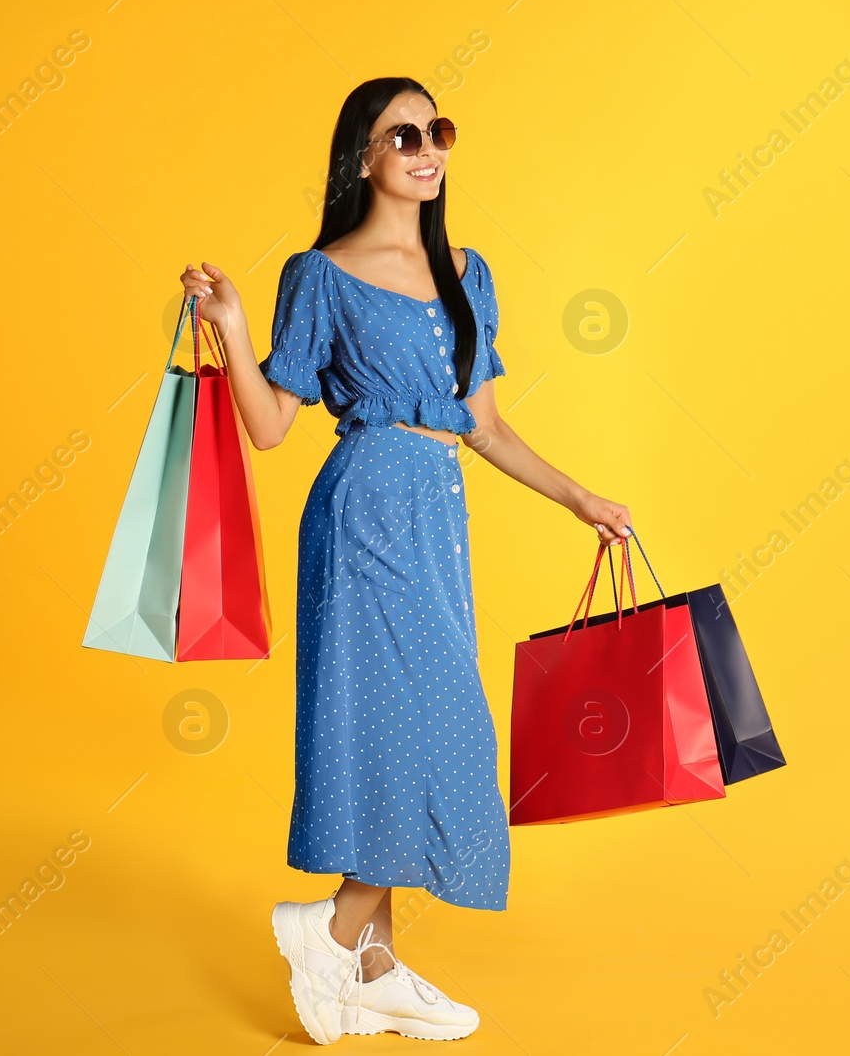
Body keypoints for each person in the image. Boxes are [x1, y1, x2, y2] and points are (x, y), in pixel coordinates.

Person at [180, 77, 631, 1045]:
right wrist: (233, 327)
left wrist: (580, 497)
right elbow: (267, 428)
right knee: (432, 730)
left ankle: (372, 970)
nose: (429, 149)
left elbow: (484, 426)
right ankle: (332, 928)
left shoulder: (467, 272)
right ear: (363, 157)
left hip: (437, 521)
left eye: (439, 131)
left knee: (403, 731)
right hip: (363, 516)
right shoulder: (321, 273)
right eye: (406, 134)